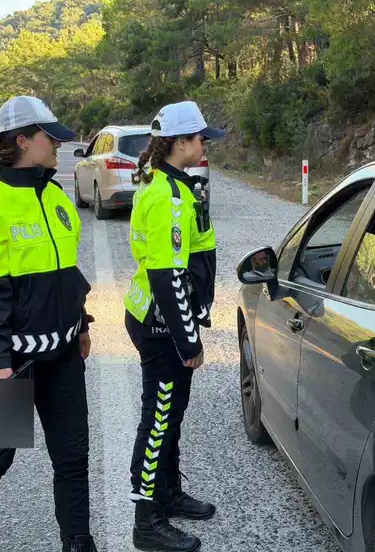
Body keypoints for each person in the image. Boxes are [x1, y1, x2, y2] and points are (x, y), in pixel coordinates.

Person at [0, 95, 97, 552]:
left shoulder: (55, 195)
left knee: (72, 458)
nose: (58, 145)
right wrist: (1, 364)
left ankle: (78, 542)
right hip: (16, 364)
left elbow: (67, 272)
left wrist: (82, 322)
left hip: (64, 356)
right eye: (50, 137)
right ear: (23, 140)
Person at [123, 101, 225, 552]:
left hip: (165, 319)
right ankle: (146, 521)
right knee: (159, 417)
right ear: (181, 142)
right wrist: (188, 339)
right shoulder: (165, 194)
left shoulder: (175, 185)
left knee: (171, 414)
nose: (205, 145)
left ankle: (166, 494)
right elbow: (167, 276)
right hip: (160, 324)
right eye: (201, 138)